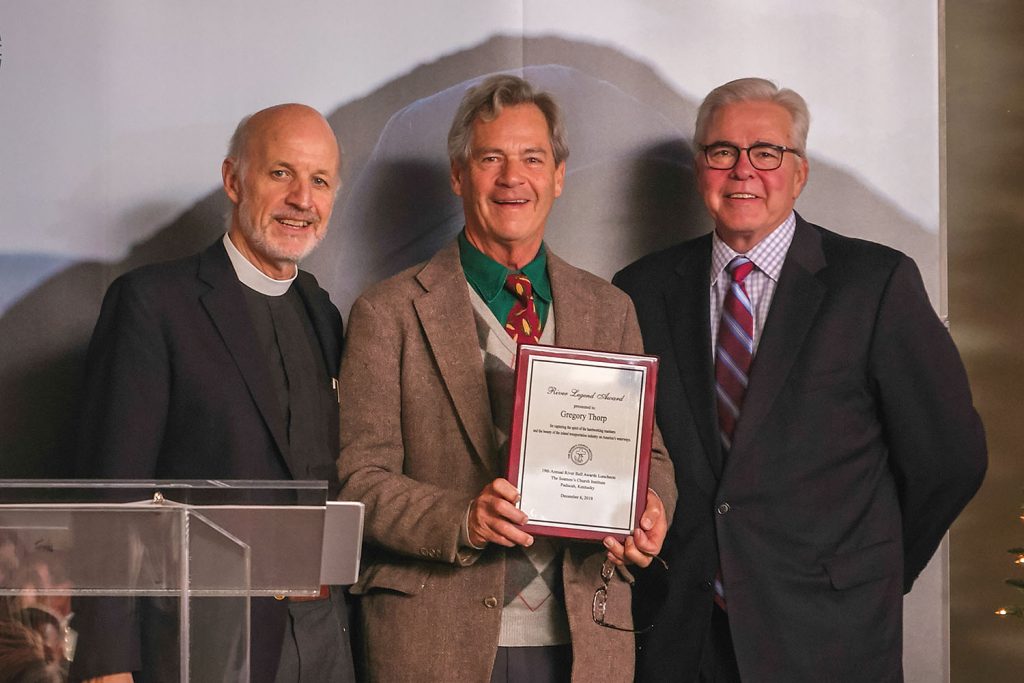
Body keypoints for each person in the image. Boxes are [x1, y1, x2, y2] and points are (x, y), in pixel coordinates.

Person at [613, 77, 988, 682]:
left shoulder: (874, 284)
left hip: (829, 633)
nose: (743, 171)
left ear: (800, 172)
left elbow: (950, 459)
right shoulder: (638, 290)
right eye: (722, 152)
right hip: (682, 634)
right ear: (698, 167)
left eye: (766, 152)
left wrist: (872, 569)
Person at [338, 74, 677, 682]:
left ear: (559, 175)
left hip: (584, 643)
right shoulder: (386, 313)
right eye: (490, 158)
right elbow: (359, 481)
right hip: (434, 642)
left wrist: (650, 509)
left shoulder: (610, 309)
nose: (511, 177)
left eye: (532, 158)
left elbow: (649, 456)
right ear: (458, 175)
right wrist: (461, 518)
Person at [72, 104, 356, 683]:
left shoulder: (323, 313)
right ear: (233, 180)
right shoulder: (153, 305)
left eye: (319, 180)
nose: (302, 198)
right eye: (281, 173)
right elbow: (109, 493)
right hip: (202, 642)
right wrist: (107, 662)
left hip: (325, 639)